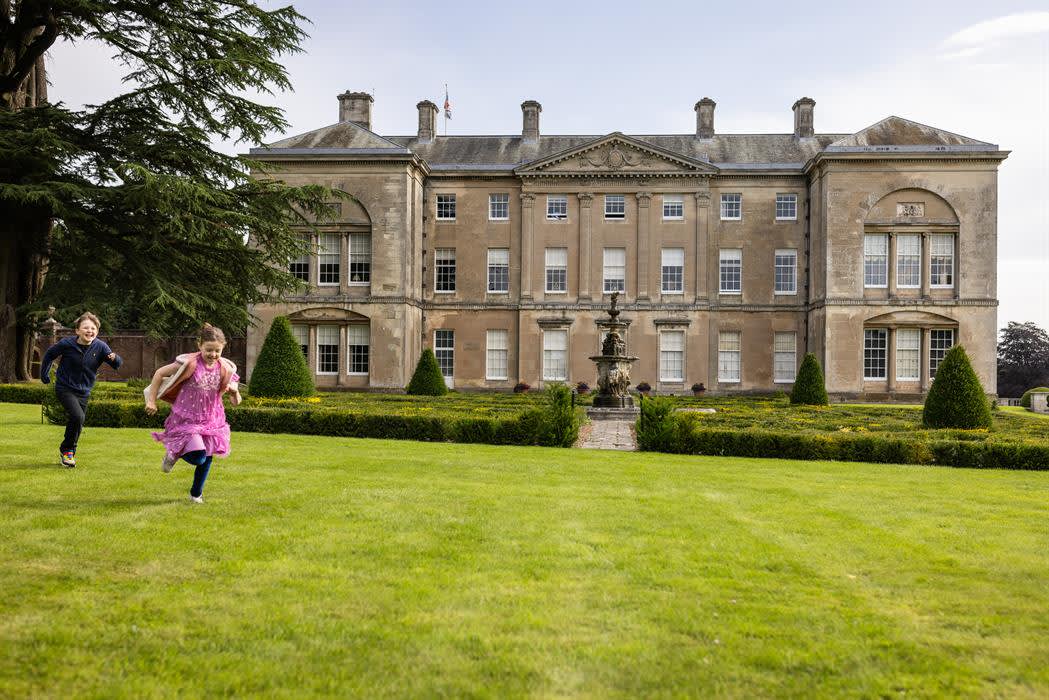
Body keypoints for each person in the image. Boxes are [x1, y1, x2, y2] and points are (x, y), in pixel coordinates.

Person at [145, 324, 241, 503]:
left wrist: (234, 392)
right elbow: (159, 373)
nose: (213, 355)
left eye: (217, 351)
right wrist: (151, 400)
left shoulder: (226, 369)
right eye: (209, 350)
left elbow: (236, 403)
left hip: (212, 419)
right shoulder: (190, 363)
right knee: (198, 457)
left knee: (207, 459)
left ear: (223, 348)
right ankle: (174, 453)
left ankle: (196, 494)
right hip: (186, 417)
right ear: (200, 346)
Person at [40, 312, 123, 468]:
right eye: (85, 327)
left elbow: (117, 364)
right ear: (77, 330)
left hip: (84, 391)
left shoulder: (100, 346)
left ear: (97, 332)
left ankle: (69, 453)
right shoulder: (67, 344)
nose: (89, 331)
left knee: (79, 420)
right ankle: (67, 451)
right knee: (78, 416)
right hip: (65, 387)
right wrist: (44, 375)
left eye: (93, 328)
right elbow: (50, 355)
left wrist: (114, 358)